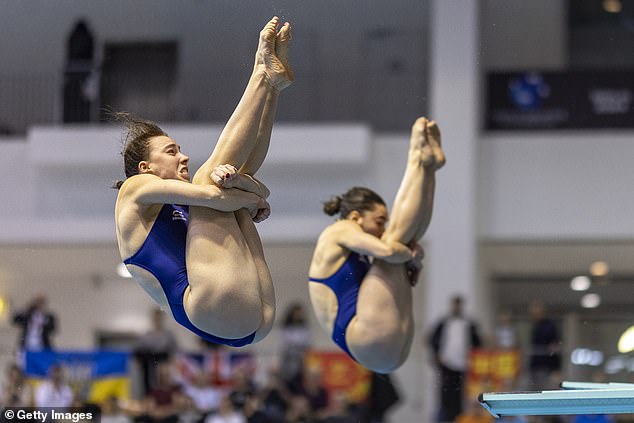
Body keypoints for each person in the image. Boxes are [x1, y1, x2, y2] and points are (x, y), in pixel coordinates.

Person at [114, 17, 293, 346]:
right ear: (145, 167)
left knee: (225, 181)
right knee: (213, 180)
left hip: (244, 313)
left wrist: (249, 195)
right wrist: (249, 196)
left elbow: (257, 192)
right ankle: (260, 70)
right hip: (213, 307)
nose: (183, 157)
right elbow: (221, 195)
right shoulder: (133, 190)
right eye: (171, 152)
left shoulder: (189, 204)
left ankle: (271, 87)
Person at [308, 117, 445, 373]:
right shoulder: (340, 230)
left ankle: (427, 167)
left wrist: (410, 256)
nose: (383, 229)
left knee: (402, 240)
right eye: (380, 221)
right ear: (356, 216)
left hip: (380, 347)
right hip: (363, 335)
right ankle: (418, 161)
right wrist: (409, 256)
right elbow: (388, 250)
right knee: (395, 244)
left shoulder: (358, 243)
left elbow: (399, 250)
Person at [428, 295, 482, 423]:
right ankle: (446, 418)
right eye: (455, 304)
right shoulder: (443, 323)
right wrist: (436, 355)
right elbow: (432, 340)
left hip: (463, 365)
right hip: (446, 364)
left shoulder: (468, 324)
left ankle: (458, 418)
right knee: (445, 394)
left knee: (459, 395)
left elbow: (478, 343)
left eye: (459, 305)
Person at [528, 300, 561, 390]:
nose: (534, 316)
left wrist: (555, 369)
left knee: (545, 390)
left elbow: (554, 347)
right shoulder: (535, 327)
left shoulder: (549, 326)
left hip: (546, 367)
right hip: (536, 366)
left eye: (536, 313)